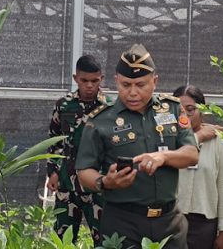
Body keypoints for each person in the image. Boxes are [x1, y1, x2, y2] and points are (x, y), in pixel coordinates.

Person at [76, 44, 199, 249]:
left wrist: (163, 157)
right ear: (116, 81)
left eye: (140, 85)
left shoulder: (174, 109)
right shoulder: (100, 120)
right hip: (123, 222)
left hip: (169, 221)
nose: (133, 92)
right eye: (126, 85)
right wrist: (105, 181)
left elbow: (192, 153)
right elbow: (84, 171)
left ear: (154, 81)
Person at [46, 54, 109, 244]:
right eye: (84, 80)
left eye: (94, 81)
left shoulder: (110, 108)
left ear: (101, 79)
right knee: (62, 240)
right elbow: (55, 140)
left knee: (104, 239)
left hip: (97, 185)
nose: (90, 85)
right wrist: (53, 171)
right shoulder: (64, 105)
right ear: (76, 79)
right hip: (67, 182)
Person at [173, 85, 223, 249]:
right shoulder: (168, 140)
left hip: (204, 224)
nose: (185, 115)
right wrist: (196, 138)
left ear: (202, 111)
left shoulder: (219, 142)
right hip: (171, 221)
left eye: (190, 110)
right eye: (180, 110)